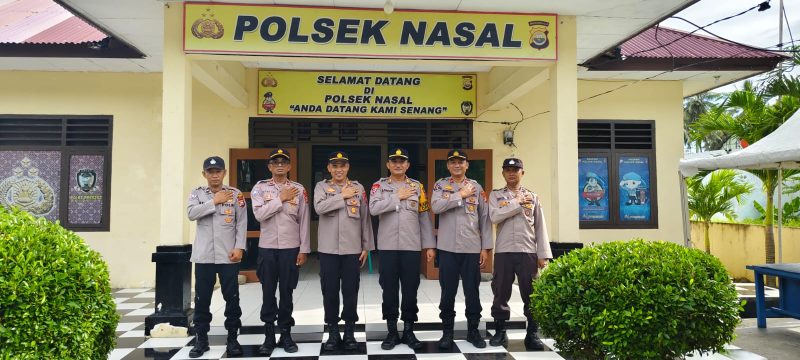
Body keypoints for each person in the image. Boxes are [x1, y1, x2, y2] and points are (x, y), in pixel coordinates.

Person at [368, 148, 435, 350]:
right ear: (388, 165)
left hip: (411, 247)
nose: (398, 164)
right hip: (388, 247)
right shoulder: (379, 186)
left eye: (402, 161)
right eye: (394, 161)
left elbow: (424, 216)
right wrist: (397, 197)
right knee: (388, 290)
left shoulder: (417, 187)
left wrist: (429, 245)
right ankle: (391, 331)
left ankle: (408, 330)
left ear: (407, 165)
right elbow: (373, 209)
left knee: (410, 289)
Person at [430, 149, 492, 349]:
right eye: (453, 162)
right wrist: (459, 195)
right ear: (448, 165)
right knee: (447, 292)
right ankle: (447, 333)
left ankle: (473, 332)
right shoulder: (441, 185)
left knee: (472, 292)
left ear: (467, 165)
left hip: (471, 248)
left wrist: (486, 248)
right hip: (447, 248)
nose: (457, 165)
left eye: (461, 162)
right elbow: (436, 207)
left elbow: (485, 218)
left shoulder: (476, 187)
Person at [487, 157, 552, 350]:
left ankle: (532, 333)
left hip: (527, 251)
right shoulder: (496, 196)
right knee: (500, 292)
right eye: (507, 169)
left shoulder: (533, 196)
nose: (512, 173)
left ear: (522, 172)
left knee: (531, 293)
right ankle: (500, 332)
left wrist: (543, 254)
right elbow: (494, 216)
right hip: (504, 251)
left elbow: (540, 226)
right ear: (503, 173)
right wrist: (516, 203)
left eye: (516, 170)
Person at [313, 151, 374, 351]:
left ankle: (349, 331)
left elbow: (365, 218)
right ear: (329, 168)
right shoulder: (321, 187)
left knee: (350, 291)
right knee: (329, 291)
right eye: (335, 166)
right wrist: (341, 196)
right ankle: (332, 331)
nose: (339, 169)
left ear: (348, 168)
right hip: (328, 249)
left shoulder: (358, 188)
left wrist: (366, 246)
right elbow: (319, 208)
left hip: (352, 249)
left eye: (343, 166)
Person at [251, 148, 310, 355]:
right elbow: (259, 215)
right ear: (269, 166)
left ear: (289, 166)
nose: (279, 165)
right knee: (268, 292)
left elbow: (304, 220)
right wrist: (280, 199)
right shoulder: (259, 188)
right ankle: (268, 336)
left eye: (283, 162)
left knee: (287, 292)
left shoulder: (299, 189)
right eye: (275, 162)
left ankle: (286, 334)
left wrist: (304, 249)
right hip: (267, 248)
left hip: (290, 248)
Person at [186, 156, 246, 358]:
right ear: (204, 174)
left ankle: (233, 338)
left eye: (218, 171)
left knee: (232, 299)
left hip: (228, 256)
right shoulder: (197, 194)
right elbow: (191, 213)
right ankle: (201, 339)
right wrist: (214, 201)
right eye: (210, 172)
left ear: (224, 173)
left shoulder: (235, 194)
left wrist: (239, 248)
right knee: (202, 300)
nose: (214, 175)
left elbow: (241, 223)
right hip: (204, 256)